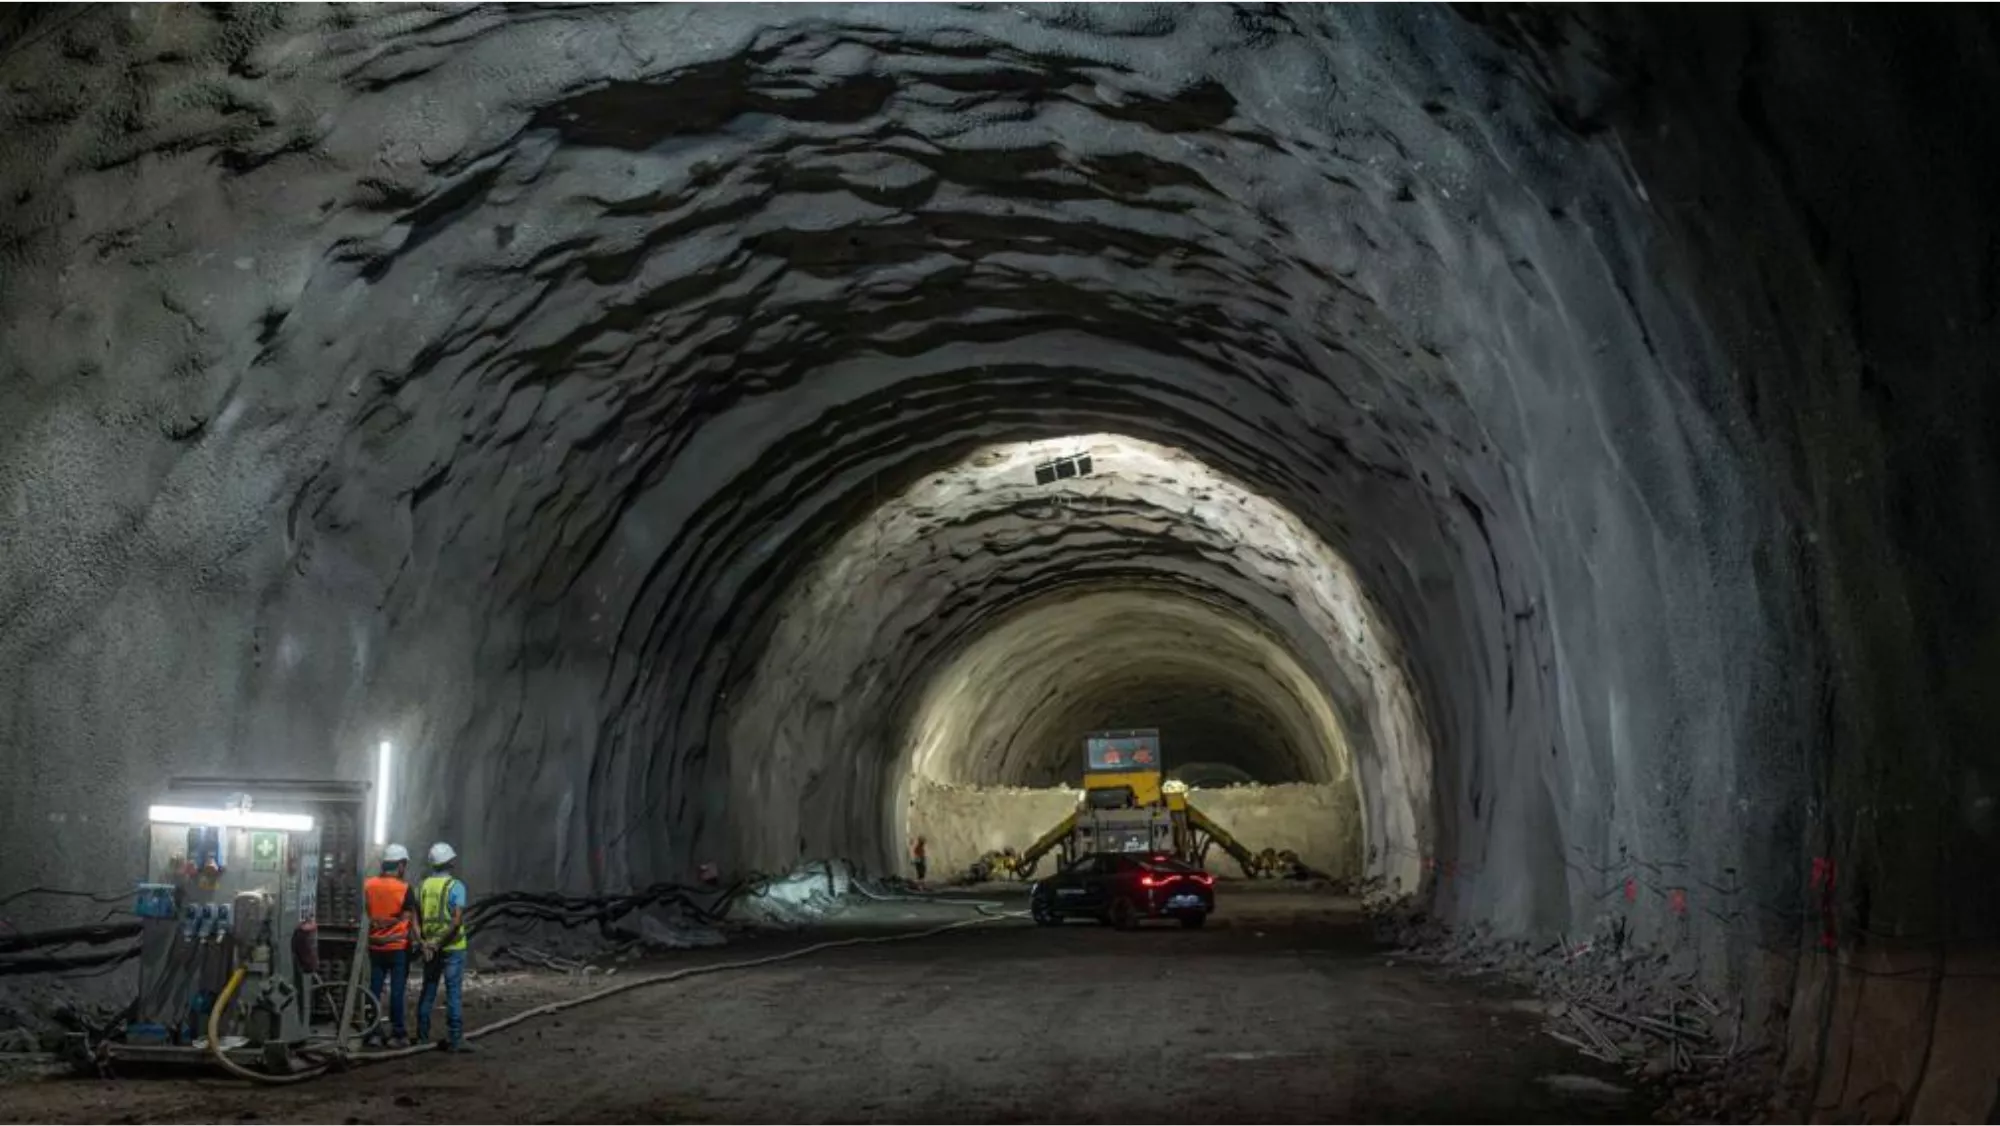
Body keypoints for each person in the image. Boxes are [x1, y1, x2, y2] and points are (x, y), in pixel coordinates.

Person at [414, 841, 473, 1052]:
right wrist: (439, 942)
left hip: (430, 948)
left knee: (428, 991)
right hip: (453, 947)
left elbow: (415, 918)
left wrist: (424, 942)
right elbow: (456, 921)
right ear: (449, 862)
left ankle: (421, 1036)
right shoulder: (456, 887)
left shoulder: (422, 886)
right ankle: (456, 1039)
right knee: (453, 993)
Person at [362, 843, 418, 1047]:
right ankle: (398, 1034)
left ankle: (373, 1033)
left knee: (374, 989)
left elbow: (366, 914)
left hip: (375, 946)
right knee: (396, 991)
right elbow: (409, 918)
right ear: (401, 865)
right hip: (397, 947)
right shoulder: (404, 888)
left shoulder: (368, 885)